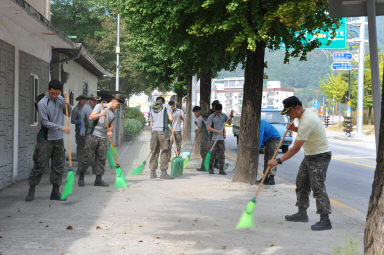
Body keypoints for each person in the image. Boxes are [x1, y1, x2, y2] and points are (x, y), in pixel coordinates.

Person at [268, 96, 332, 231]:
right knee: (301, 182)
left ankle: (325, 219)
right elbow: (306, 132)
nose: (289, 116)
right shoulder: (303, 117)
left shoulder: (307, 119)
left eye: (289, 112)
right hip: (310, 155)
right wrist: (295, 129)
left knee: (317, 186)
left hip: (320, 156)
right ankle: (302, 213)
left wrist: (277, 161)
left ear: (297, 108)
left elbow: (295, 148)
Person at [25, 80, 71, 201]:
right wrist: (61, 127)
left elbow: (68, 114)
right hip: (46, 138)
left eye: (56, 93)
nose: (54, 96)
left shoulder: (61, 99)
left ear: (59, 92)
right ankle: (31, 189)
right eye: (52, 93)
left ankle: (55, 192)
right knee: (40, 164)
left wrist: (68, 104)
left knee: (59, 165)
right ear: (48, 89)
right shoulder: (42, 103)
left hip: (58, 139)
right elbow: (45, 122)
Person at [77, 94, 123, 187]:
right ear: (114, 101)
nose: (118, 107)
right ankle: (81, 177)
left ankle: (98, 179)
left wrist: (110, 131)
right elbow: (91, 117)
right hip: (93, 135)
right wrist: (100, 114)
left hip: (102, 137)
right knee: (87, 157)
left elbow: (111, 126)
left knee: (101, 159)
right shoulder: (100, 106)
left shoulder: (113, 113)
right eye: (118, 105)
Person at [148, 97, 174, 179]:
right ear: (163, 102)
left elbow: (151, 124)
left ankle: (152, 172)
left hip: (154, 132)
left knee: (154, 152)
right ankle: (163, 173)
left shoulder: (152, 108)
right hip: (163, 132)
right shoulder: (166, 106)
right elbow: (170, 118)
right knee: (165, 152)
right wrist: (168, 122)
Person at [76, 94, 100, 181]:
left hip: (92, 133)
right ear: (90, 101)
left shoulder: (94, 107)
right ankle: (81, 173)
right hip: (86, 133)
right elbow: (86, 122)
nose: (96, 102)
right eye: (95, 101)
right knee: (86, 153)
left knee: (94, 152)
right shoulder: (86, 109)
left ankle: (94, 170)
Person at [206, 104, 233, 175]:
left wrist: (231, 116)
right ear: (215, 110)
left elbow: (229, 123)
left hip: (221, 139)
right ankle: (211, 169)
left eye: (220, 112)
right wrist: (217, 131)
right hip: (213, 138)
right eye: (217, 112)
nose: (218, 113)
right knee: (212, 154)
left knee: (221, 154)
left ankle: (221, 169)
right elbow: (208, 128)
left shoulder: (223, 116)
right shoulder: (211, 117)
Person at [257, 120, 281, 185]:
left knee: (272, 157)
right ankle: (265, 177)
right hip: (267, 140)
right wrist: (264, 145)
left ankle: (271, 178)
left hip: (274, 138)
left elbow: (260, 136)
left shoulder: (260, 124)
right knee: (266, 158)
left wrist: (258, 148)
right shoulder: (256, 124)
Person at [71, 94, 89, 162]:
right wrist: (80, 121)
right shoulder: (75, 110)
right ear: (80, 100)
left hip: (87, 131)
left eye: (85, 100)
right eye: (83, 100)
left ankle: (85, 165)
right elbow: (72, 121)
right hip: (79, 131)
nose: (85, 102)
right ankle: (80, 166)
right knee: (80, 148)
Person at [192, 106, 210, 171]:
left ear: (198, 111)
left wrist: (196, 135)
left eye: (195, 113)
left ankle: (204, 167)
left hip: (206, 137)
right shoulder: (206, 115)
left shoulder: (200, 118)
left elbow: (199, 128)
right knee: (207, 151)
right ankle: (207, 166)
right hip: (210, 136)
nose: (195, 115)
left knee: (203, 151)